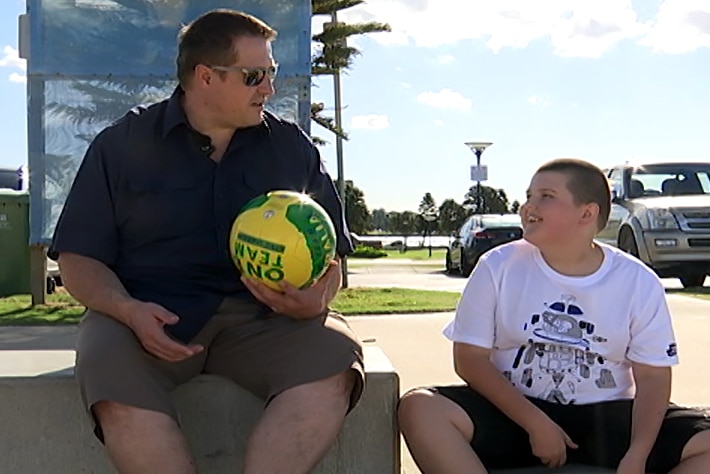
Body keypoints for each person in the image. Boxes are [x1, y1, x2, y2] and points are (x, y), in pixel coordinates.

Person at [50, 9, 363, 474]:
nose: (269, 89)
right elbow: (78, 260)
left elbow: (331, 252)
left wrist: (317, 300)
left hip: (265, 321)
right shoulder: (122, 145)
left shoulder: (292, 148)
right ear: (206, 78)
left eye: (271, 74)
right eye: (254, 76)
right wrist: (127, 310)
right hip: (148, 317)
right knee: (105, 363)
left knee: (337, 355)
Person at [398, 158, 710, 474]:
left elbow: (653, 377)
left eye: (545, 196)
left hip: (608, 418)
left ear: (587, 214)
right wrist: (536, 424)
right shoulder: (497, 266)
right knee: (420, 407)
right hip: (514, 410)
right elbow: (469, 360)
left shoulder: (638, 281)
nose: (527, 206)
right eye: (529, 195)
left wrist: (637, 455)